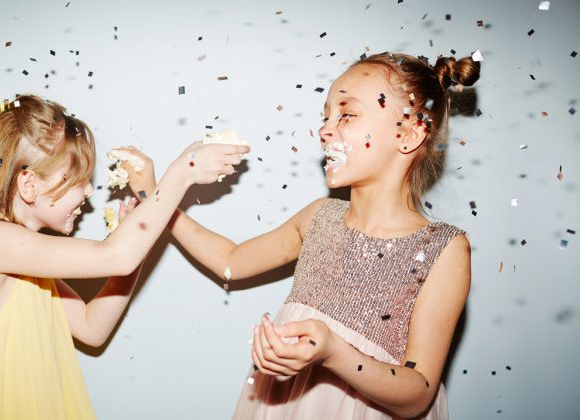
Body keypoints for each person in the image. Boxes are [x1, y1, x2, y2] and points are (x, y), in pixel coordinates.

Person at [120, 52, 479, 419]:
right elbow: (230, 262)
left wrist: (333, 351)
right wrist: (157, 198)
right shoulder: (319, 217)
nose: (325, 129)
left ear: (408, 133)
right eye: (326, 116)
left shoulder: (444, 249)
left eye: (347, 115)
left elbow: (418, 392)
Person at [0, 94, 249, 419]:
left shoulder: (23, 258)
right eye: (79, 180)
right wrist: (183, 171)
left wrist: (136, 249)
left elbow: (92, 327)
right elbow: (116, 256)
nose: (89, 191)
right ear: (29, 186)